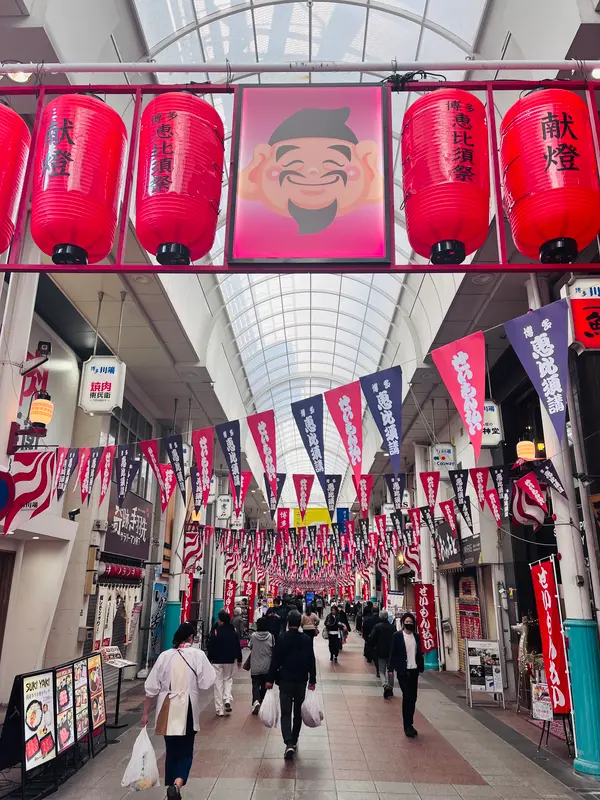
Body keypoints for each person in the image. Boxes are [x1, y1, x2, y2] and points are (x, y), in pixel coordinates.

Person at [142, 622, 216, 798]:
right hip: (187, 707)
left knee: (171, 749)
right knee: (186, 750)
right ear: (191, 638)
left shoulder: (164, 656)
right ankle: (177, 783)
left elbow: (151, 687)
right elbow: (207, 682)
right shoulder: (197, 655)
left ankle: (171, 785)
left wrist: (145, 713)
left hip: (166, 706)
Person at [266, 609, 316, 760]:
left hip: (285, 680)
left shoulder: (282, 639)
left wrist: (269, 679)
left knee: (286, 713)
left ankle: (288, 742)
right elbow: (311, 660)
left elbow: (275, 661)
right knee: (298, 713)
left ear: (288, 623)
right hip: (301, 680)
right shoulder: (306, 640)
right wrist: (312, 679)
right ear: (300, 623)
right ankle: (294, 740)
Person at [388, 612, 425, 737]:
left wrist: (421, 666)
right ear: (403, 622)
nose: (409, 624)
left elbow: (419, 652)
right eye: (407, 622)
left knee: (413, 699)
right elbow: (393, 652)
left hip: (414, 671)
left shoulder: (416, 636)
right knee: (407, 697)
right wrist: (391, 668)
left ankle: (411, 723)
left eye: (411, 622)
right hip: (403, 672)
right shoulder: (397, 636)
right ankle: (407, 725)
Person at [207, 610, 243, 716]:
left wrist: (209, 659)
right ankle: (227, 699)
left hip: (217, 661)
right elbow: (237, 645)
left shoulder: (216, 631)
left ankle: (219, 709)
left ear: (221, 620)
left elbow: (211, 646)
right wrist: (239, 659)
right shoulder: (233, 630)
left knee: (218, 683)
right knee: (228, 679)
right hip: (229, 660)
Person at [248, 616, 275, 714]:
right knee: (264, 686)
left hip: (255, 665)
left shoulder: (253, 636)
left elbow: (250, 647)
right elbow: (273, 649)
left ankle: (256, 701)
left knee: (255, 685)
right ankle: (260, 701)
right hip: (267, 666)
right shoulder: (271, 636)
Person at [369, 609, 395, 698]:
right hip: (391, 652)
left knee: (381, 670)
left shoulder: (377, 626)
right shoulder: (392, 627)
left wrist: (372, 647)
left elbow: (371, 638)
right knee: (390, 670)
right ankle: (391, 688)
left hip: (380, 651)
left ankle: (384, 684)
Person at [362, 602, 379, 672]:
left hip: (369, 634)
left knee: (369, 645)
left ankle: (369, 657)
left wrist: (364, 635)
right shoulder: (379, 620)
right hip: (376, 637)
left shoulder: (368, 620)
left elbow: (365, 627)